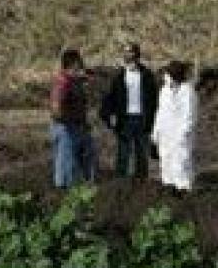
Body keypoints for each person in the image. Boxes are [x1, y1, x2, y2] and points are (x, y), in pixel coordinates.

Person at [101, 42, 159, 180]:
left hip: (142, 118)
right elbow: (110, 97)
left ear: (137, 56)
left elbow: (153, 99)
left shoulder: (147, 75)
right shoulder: (118, 76)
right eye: (126, 53)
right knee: (123, 152)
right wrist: (109, 115)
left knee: (142, 153)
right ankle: (120, 182)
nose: (129, 56)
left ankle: (141, 181)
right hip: (125, 119)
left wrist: (154, 118)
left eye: (132, 53)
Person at [49, 48, 96, 189]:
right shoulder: (62, 83)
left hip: (79, 126)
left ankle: (85, 188)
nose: (80, 67)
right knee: (66, 165)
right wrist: (67, 120)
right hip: (66, 129)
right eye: (77, 65)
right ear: (70, 66)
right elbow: (56, 108)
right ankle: (63, 194)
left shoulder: (75, 81)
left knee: (88, 157)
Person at [151, 61, 198, 193]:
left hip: (180, 136)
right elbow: (160, 113)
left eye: (167, 74)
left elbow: (189, 116)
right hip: (165, 135)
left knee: (181, 161)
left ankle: (184, 188)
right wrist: (155, 134)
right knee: (166, 160)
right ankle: (168, 186)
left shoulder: (188, 92)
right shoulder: (164, 91)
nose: (165, 77)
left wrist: (183, 135)